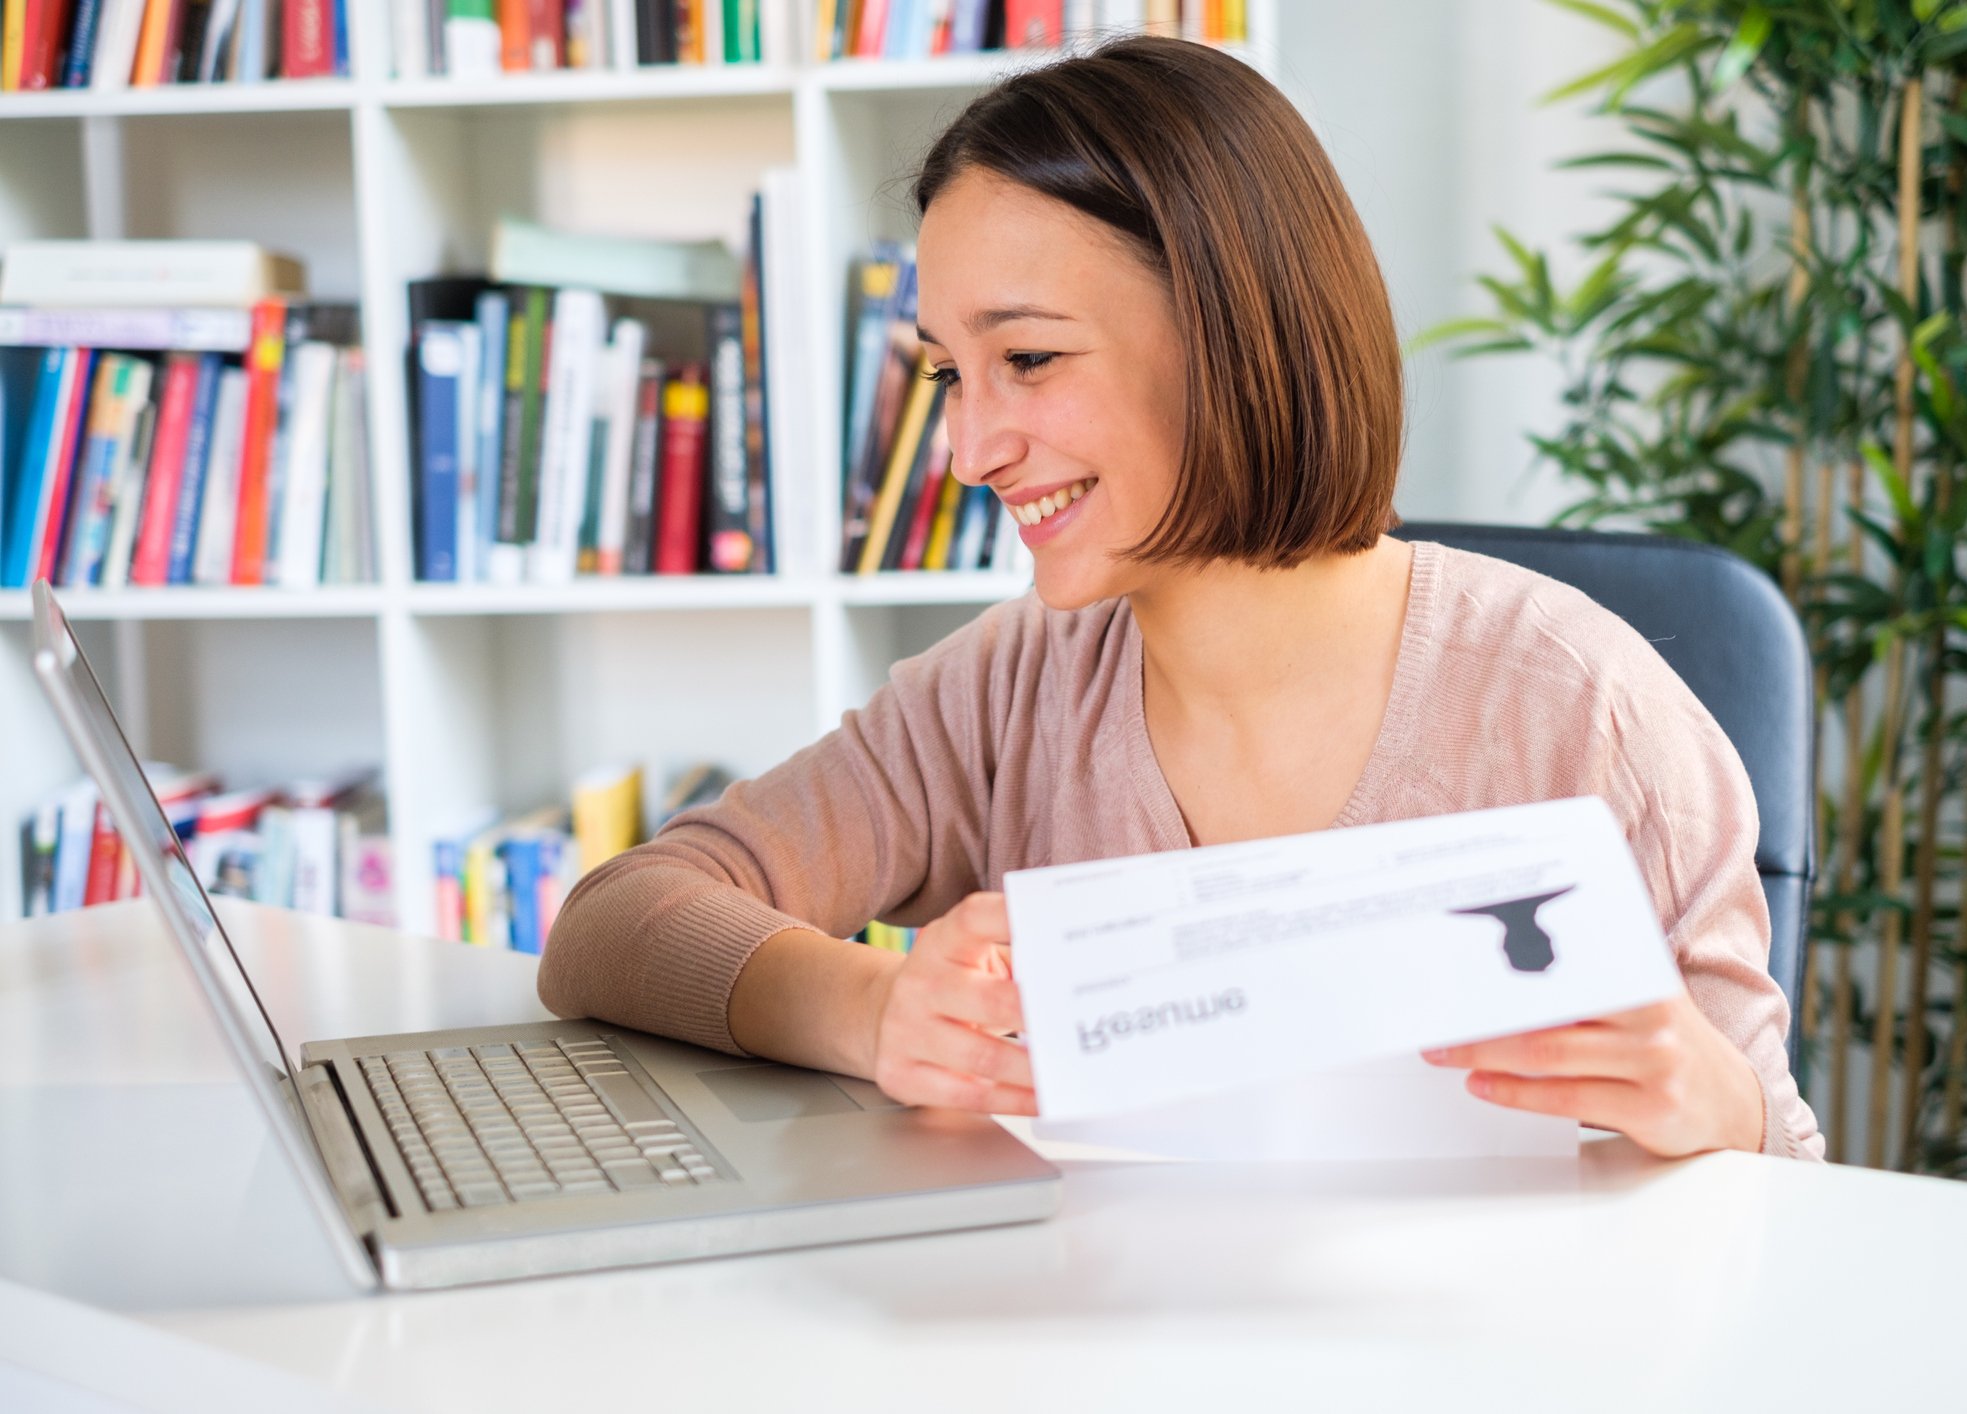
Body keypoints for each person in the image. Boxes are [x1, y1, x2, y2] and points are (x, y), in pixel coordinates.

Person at [539, 35, 1824, 1162]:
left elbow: (1789, 1198)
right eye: (949, 375)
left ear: (1232, 331)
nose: (968, 450)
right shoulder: (1010, 688)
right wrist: (874, 1011)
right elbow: (613, 926)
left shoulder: (1585, 710)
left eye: (1027, 359)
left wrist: (1720, 1104)